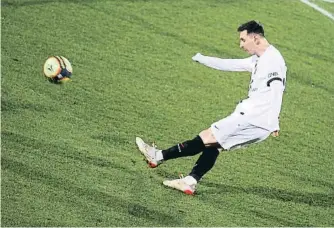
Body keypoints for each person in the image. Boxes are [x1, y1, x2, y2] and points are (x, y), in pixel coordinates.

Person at [135, 20, 287, 195]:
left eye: (243, 40)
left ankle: (157, 156)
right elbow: (232, 64)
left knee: (207, 137)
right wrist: (203, 59)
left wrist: (275, 121)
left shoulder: (272, 60)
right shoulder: (260, 57)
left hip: (253, 116)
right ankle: (190, 181)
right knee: (215, 144)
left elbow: (276, 89)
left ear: (256, 38)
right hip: (262, 126)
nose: (241, 45)